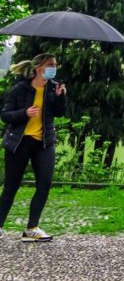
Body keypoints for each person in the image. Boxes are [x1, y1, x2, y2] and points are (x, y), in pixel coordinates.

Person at [0, 53, 67, 242]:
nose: (54, 67)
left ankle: (32, 229)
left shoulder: (54, 88)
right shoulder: (20, 89)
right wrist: (25, 113)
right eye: (50, 64)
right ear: (39, 68)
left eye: (55, 64)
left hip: (44, 143)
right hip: (19, 143)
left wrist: (61, 97)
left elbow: (60, 113)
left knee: (44, 184)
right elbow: (5, 115)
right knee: (11, 186)